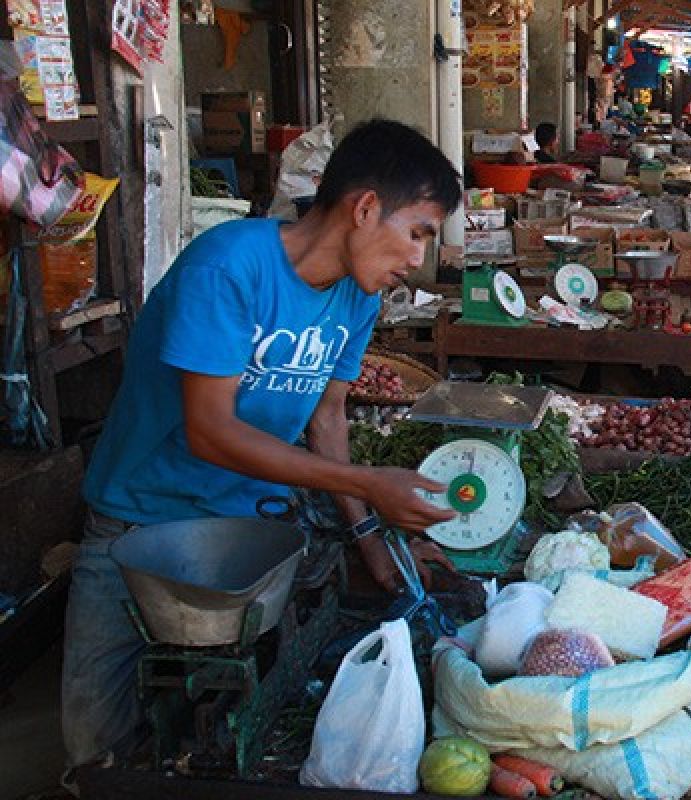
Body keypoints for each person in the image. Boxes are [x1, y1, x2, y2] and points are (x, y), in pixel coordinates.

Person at [61, 118, 462, 776]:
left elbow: (327, 421)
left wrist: (371, 539)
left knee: (235, 730)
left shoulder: (356, 299)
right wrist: (369, 487)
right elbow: (210, 430)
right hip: (141, 524)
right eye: (417, 231)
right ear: (365, 208)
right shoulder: (229, 266)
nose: (418, 257)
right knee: (95, 748)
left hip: (253, 534)